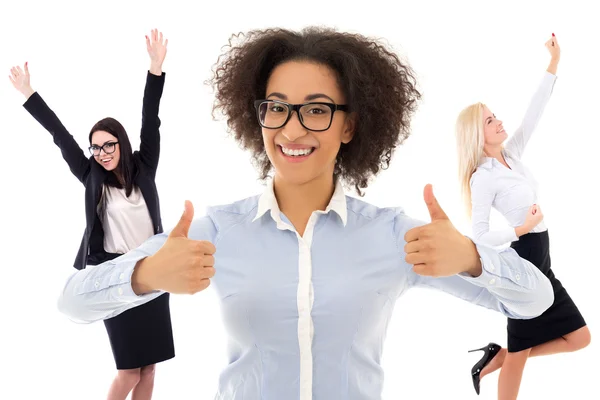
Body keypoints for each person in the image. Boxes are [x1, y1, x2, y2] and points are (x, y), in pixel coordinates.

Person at [57, 27, 553, 399]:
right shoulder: (217, 231)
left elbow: (536, 304)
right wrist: (144, 274)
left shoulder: (394, 237)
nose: (292, 131)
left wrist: (471, 256)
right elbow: (73, 302)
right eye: (277, 108)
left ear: (350, 126)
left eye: (316, 109)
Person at [9, 29, 174, 400]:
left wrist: (155, 67)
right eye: (96, 147)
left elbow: (151, 117)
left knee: (149, 368)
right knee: (129, 369)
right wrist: (29, 94)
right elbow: (60, 135)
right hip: (115, 276)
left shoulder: (144, 167)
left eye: (108, 144)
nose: (101, 152)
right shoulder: (89, 176)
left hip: (153, 270)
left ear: (121, 142)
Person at [455, 34, 590, 399]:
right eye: (489, 121)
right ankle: (503, 357)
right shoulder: (482, 178)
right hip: (523, 260)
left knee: (580, 338)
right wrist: (520, 229)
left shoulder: (511, 155)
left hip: (542, 256)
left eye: (496, 116)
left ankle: (498, 356)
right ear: (475, 134)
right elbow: (479, 237)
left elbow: (534, 113)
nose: (499, 122)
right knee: (519, 354)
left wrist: (553, 64)